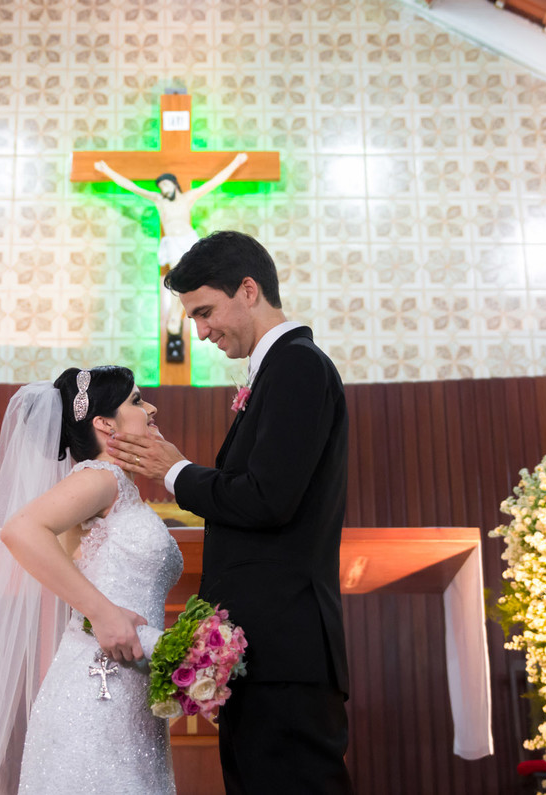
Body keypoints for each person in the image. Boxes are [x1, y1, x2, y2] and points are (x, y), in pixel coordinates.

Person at [107, 231, 354, 794]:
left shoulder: (298, 367)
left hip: (286, 653)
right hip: (261, 654)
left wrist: (174, 471)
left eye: (204, 311)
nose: (199, 331)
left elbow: (268, 498)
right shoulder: (276, 371)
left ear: (248, 290)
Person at [0, 367, 181, 794]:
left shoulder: (120, 489)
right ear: (104, 423)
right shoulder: (100, 477)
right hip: (97, 691)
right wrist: (103, 613)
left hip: (128, 692)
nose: (150, 407)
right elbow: (20, 530)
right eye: (136, 400)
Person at [94, 153, 248, 363]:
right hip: (173, 243)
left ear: (174, 184)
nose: (163, 189)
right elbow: (131, 187)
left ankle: (178, 316)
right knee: (179, 282)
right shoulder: (158, 200)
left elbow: (215, 182)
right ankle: (177, 316)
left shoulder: (188, 198)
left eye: (165, 184)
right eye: (160, 186)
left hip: (188, 240)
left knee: (192, 283)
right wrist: (106, 170)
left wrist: (236, 163)